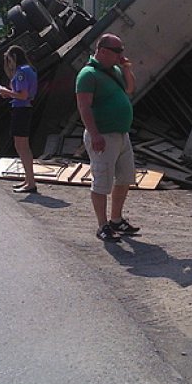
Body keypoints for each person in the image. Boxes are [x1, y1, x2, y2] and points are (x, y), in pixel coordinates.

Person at [75, 33, 140, 243]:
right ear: (102, 51)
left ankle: (116, 219)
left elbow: (130, 88)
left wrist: (127, 69)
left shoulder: (114, 71)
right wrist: (94, 134)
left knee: (125, 178)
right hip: (102, 135)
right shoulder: (88, 74)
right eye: (117, 51)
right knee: (102, 181)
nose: (121, 55)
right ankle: (102, 225)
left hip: (121, 134)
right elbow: (84, 107)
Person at [0, 45, 38, 193]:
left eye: (9, 60)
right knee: (21, 146)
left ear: (14, 58)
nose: (9, 65)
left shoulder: (21, 72)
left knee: (22, 147)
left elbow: (22, 95)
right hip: (24, 108)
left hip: (21, 109)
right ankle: (28, 179)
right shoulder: (29, 69)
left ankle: (30, 182)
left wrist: (7, 92)